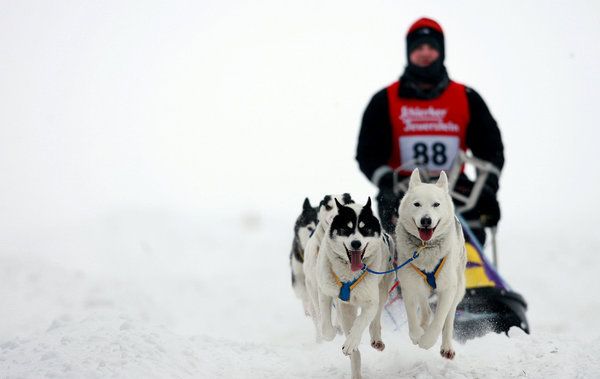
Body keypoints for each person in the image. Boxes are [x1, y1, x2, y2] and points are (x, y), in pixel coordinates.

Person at [356, 17, 504, 244]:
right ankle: (399, 272)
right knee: (401, 240)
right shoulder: (384, 100)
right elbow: (368, 154)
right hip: (403, 191)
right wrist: (386, 183)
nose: (425, 52)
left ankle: (472, 272)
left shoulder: (467, 98)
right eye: (418, 48)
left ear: (441, 51)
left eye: (432, 47)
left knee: (465, 243)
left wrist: (488, 188)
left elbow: (491, 149)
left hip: (456, 191)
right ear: (409, 52)